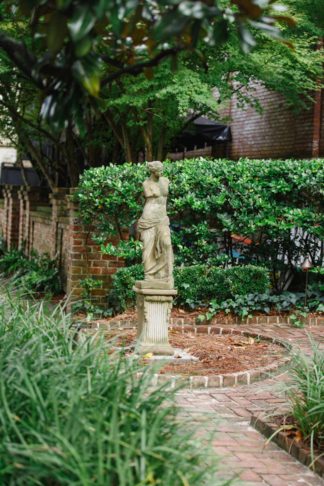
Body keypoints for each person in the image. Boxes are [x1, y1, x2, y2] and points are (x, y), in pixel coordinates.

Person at [137, 161, 174, 288]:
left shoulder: (165, 181)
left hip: (162, 218)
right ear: (153, 171)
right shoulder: (146, 184)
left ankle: (165, 275)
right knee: (148, 247)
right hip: (149, 217)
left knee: (166, 243)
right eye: (159, 170)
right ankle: (149, 275)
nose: (161, 173)